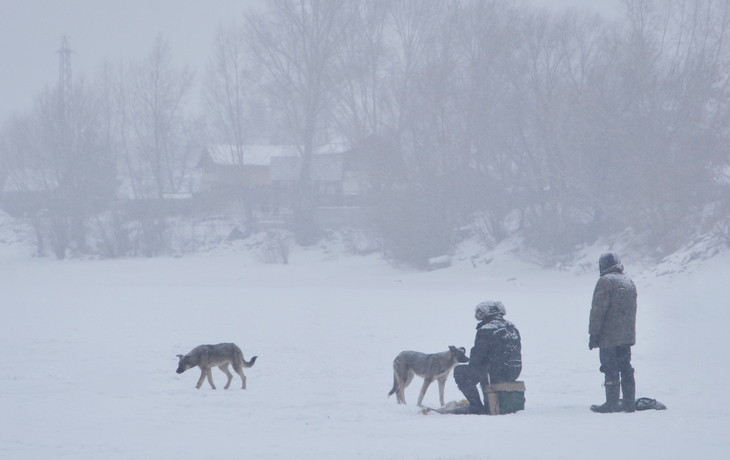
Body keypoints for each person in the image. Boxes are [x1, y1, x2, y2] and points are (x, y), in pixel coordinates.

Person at [589, 252, 638, 413]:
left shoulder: (605, 281)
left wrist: (593, 333)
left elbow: (598, 311)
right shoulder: (628, 281)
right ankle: (629, 402)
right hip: (626, 335)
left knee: (610, 368)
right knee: (625, 366)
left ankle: (612, 403)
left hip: (609, 336)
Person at [453, 301, 522, 414]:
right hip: (514, 371)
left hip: (495, 372)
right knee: (485, 368)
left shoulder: (486, 330)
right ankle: (490, 402)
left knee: (461, 371)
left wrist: (465, 359)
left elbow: (477, 358)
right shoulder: (512, 328)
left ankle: (476, 406)